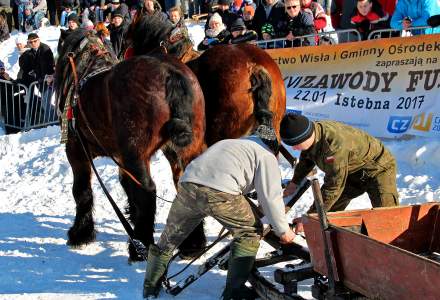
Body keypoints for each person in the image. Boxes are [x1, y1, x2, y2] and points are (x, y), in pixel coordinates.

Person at [143, 124, 296, 299]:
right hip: (220, 193)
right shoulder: (266, 154)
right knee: (250, 232)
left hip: (188, 185)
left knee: (168, 240)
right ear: (274, 147)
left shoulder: (231, 144)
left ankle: (150, 289)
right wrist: (283, 230)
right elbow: (271, 197)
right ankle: (234, 293)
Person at [280, 113, 399, 232]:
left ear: (306, 136)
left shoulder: (333, 147)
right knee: (329, 214)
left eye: (295, 144)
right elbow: (306, 159)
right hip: (351, 170)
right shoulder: (312, 135)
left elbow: (333, 186)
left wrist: (310, 218)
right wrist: (294, 182)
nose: (294, 149)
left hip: (378, 168)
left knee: (387, 218)